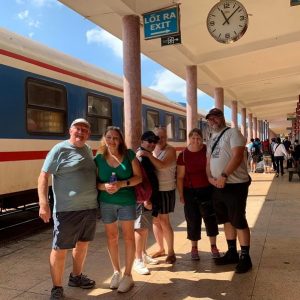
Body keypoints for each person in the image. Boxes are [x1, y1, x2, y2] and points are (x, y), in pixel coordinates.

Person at [38, 118, 98, 300]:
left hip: (89, 207)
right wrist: (43, 203)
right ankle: (57, 287)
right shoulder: (59, 149)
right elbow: (43, 176)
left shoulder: (87, 149)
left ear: (88, 134)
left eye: (85, 130)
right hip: (66, 210)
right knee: (60, 248)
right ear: (70, 130)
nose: (81, 132)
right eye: (78, 129)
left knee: (82, 244)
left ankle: (76, 277)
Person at [94, 126, 142, 293]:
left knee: (128, 237)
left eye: (115, 138)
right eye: (109, 137)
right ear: (104, 138)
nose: (112, 141)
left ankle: (128, 275)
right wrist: (104, 186)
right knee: (112, 237)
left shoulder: (129, 155)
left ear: (120, 140)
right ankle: (116, 271)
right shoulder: (99, 157)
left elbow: (139, 177)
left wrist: (122, 184)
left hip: (127, 201)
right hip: (106, 202)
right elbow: (95, 183)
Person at [205, 108, 252, 274]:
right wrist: (210, 177)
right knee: (226, 219)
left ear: (222, 118)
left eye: (216, 117)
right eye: (210, 119)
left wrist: (224, 175)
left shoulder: (233, 133)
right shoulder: (211, 139)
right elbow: (208, 161)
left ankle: (245, 256)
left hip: (235, 184)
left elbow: (237, 156)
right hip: (217, 185)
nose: (212, 121)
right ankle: (232, 252)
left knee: (238, 219)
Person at [177, 128, 220, 261]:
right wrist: (181, 194)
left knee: (210, 219)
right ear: (189, 138)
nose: (196, 140)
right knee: (192, 220)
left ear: (202, 139)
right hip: (190, 191)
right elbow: (180, 177)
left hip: (207, 189)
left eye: (198, 138)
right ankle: (194, 248)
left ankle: (213, 246)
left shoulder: (207, 150)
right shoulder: (183, 155)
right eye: (193, 138)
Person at [137, 126, 177, 264]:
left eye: (164, 137)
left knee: (164, 220)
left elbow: (162, 166)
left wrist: (147, 154)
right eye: (157, 137)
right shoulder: (152, 149)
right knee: (155, 220)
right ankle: (161, 248)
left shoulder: (170, 150)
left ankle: (171, 252)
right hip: (154, 191)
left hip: (165, 189)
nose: (160, 140)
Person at [133, 131, 160, 275]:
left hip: (149, 197)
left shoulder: (146, 155)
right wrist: (145, 199)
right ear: (142, 141)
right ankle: (138, 261)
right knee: (140, 229)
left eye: (154, 141)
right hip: (144, 198)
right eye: (149, 141)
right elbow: (141, 181)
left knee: (145, 227)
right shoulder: (141, 157)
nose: (152, 144)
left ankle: (143, 254)